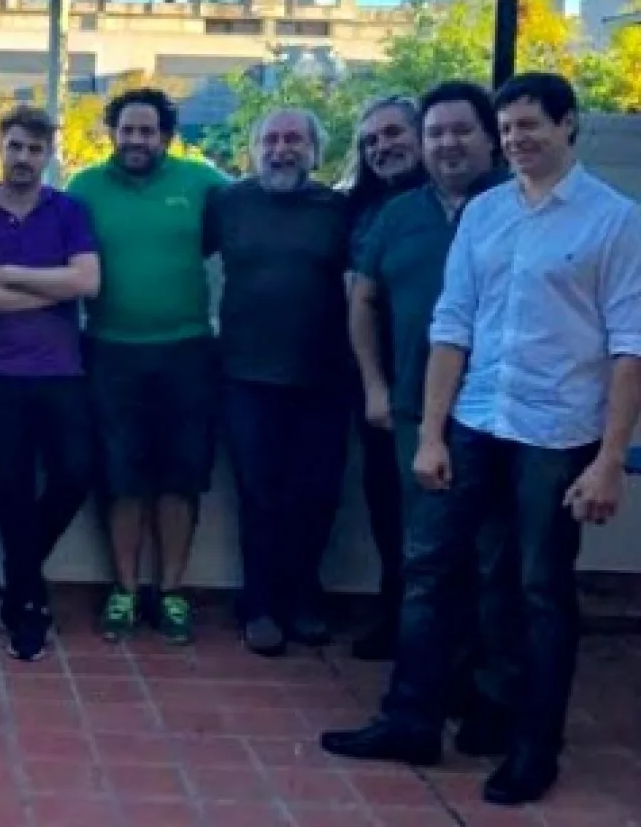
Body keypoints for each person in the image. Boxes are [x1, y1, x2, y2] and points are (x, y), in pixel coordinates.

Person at [330, 73, 641, 807]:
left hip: (555, 433)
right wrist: (432, 435)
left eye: (530, 125)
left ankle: (533, 747)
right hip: (473, 421)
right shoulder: (486, 213)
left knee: (537, 589)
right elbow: (453, 324)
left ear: (568, 125)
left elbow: (630, 346)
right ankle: (410, 720)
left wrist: (608, 460)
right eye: (508, 128)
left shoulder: (615, 221)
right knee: (428, 568)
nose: (517, 139)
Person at [323, 80, 516, 775]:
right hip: (416, 414)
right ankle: (413, 715)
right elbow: (362, 301)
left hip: (506, 416)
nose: (446, 145)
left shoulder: (518, 206)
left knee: (498, 565)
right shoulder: (397, 215)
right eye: (436, 133)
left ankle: (491, 704)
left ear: (490, 137)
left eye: (460, 131)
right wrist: (375, 387)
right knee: (426, 566)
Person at [66, 87, 229, 645]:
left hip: (187, 351)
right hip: (109, 351)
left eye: (148, 131)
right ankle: (126, 590)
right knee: (121, 477)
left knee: (181, 476)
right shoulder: (84, 188)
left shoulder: (203, 184)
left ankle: (173, 592)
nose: (136, 140)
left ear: (166, 136)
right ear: (112, 134)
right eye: (127, 130)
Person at [0, 105, 99, 662]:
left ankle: (15, 575)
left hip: (62, 372)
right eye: (15, 146)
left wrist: (9, 275)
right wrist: (50, 289)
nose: (24, 157)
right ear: (0, 147)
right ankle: (28, 606)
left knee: (77, 473)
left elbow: (87, 282)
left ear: (48, 155)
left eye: (35, 149)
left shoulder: (69, 210)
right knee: (10, 491)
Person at [205, 108, 351, 656]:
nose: (281, 149)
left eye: (294, 140)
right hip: (245, 374)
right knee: (259, 495)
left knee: (317, 494)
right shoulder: (228, 204)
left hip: (323, 376)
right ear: (253, 149)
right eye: (271, 139)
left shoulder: (338, 209)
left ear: (315, 150)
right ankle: (260, 605)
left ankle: (304, 598)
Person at [341, 95, 427, 661]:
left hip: (448, 381)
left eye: (393, 134)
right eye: (371, 141)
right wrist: (374, 385)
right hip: (378, 380)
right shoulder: (362, 210)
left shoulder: (464, 205)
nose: (382, 147)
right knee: (386, 503)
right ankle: (396, 614)